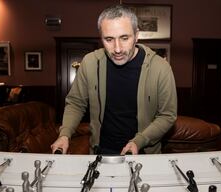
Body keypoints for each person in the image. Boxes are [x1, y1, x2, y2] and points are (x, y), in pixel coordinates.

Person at [51, 4, 177, 155]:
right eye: (109, 39)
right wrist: (65, 134)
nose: (117, 49)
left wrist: (139, 141)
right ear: (101, 38)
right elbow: (76, 103)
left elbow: (167, 115)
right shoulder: (90, 63)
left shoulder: (161, 68)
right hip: (101, 152)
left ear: (137, 35)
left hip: (144, 153)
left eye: (124, 38)